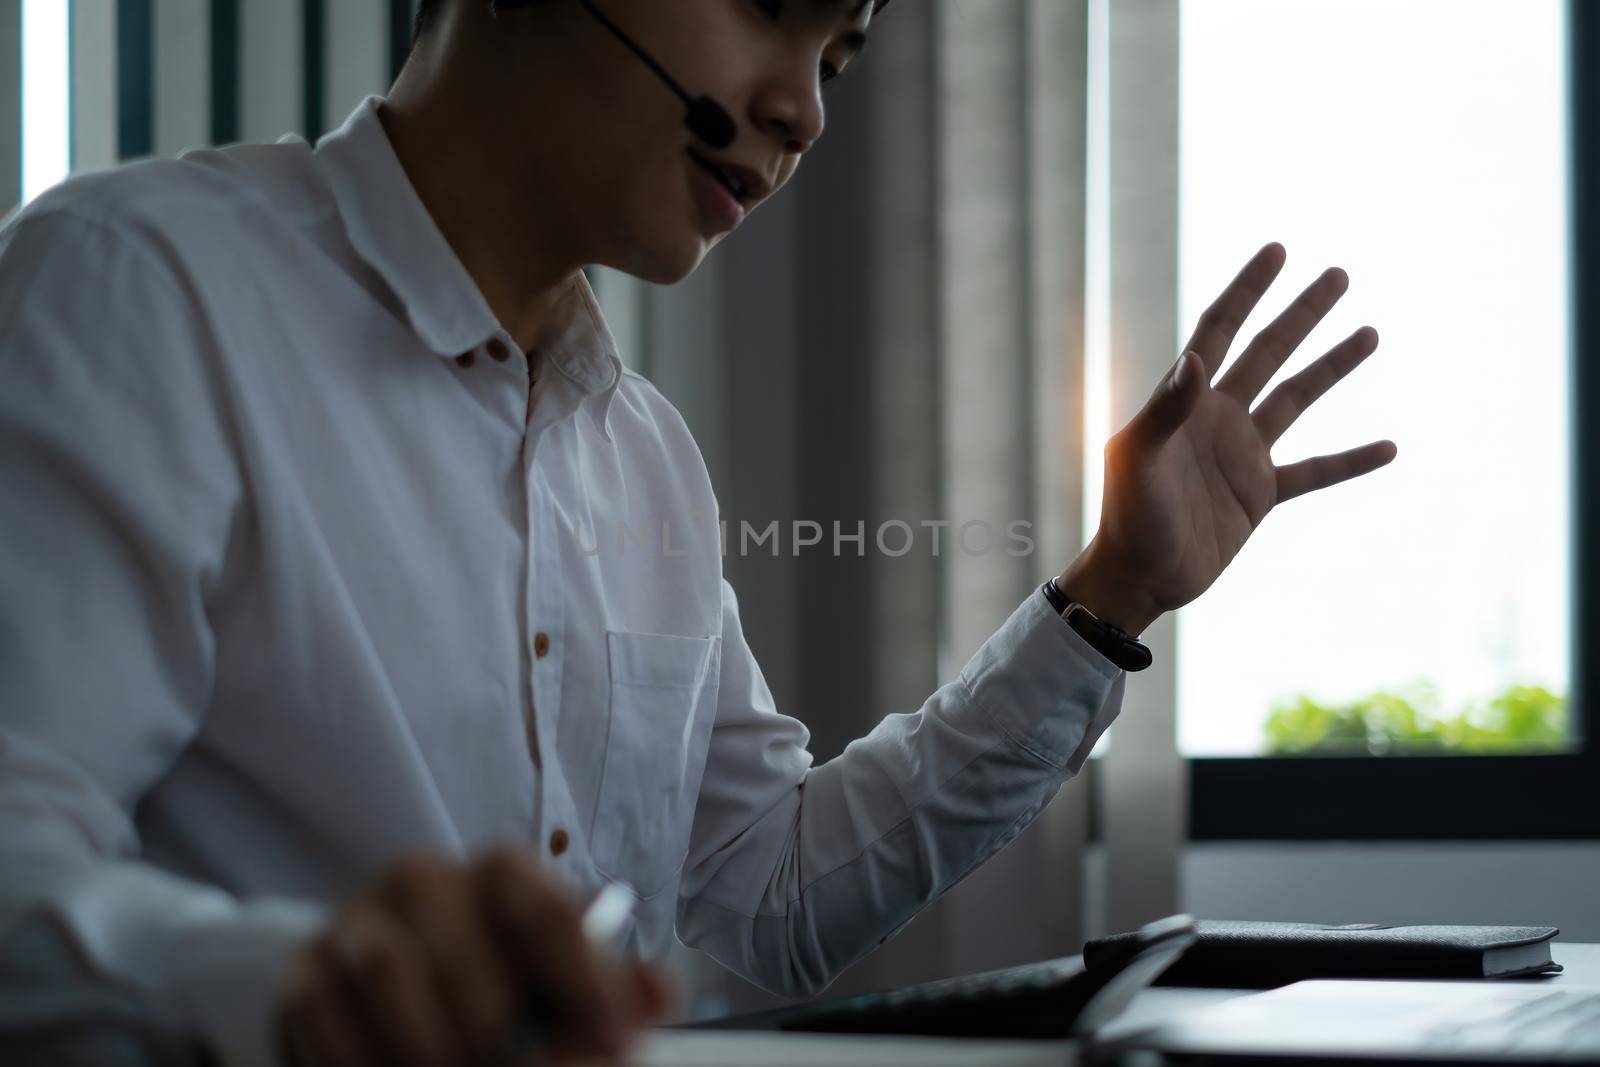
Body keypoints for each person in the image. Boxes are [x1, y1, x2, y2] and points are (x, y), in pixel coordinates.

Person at [0, 0, 1396, 1064]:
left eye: (837, 60)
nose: (803, 112)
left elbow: (759, 898)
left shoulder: (643, 454)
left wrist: (1112, 596)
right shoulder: (141, 292)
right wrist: (299, 986)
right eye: (767, 9)